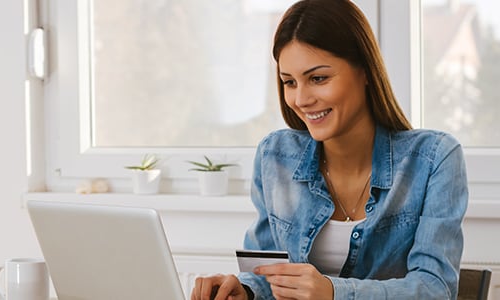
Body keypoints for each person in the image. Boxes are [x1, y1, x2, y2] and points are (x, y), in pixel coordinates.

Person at [191, 0, 468, 299]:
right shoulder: (275, 155)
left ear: (364, 70)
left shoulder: (434, 159)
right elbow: (266, 274)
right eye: (289, 82)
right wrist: (244, 290)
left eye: (318, 78)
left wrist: (333, 292)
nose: (301, 99)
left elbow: (436, 289)